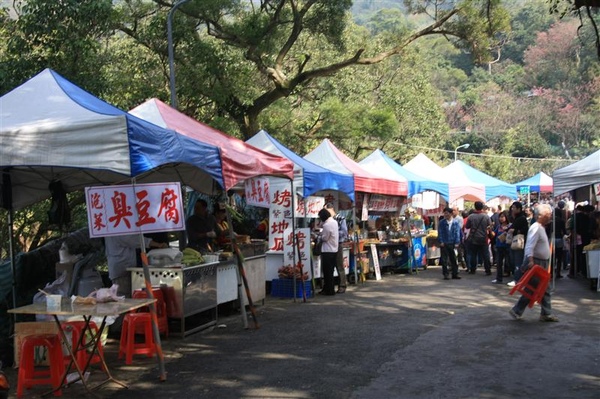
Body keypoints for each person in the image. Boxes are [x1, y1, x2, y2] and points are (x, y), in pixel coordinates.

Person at [509, 204, 559, 322]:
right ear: (540, 215)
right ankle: (518, 310)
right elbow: (530, 245)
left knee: (544, 287)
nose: (550, 216)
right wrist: (530, 260)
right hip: (536, 262)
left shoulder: (540, 227)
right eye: (548, 214)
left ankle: (545, 313)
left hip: (541, 262)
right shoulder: (536, 228)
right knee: (533, 288)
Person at [104, 234, 168, 298]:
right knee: (124, 298)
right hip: (122, 269)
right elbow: (132, 239)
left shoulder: (111, 229)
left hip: (120, 267)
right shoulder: (118, 230)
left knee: (124, 297)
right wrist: (157, 244)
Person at [325, 203, 348, 293]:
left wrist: (334, 233)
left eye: (326, 210)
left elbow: (344, 232)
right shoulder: (326, 220)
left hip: (338, 244)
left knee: (339, 265)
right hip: (329, 245)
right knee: (329, 267)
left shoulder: (340, 218)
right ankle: (328, 286)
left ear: (331, 209)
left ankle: (342, 285)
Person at [465, 201, 492, 275]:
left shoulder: (471, 216)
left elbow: (467, 226)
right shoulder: (486, 216)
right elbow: (489, 226)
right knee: (485, 254)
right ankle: (488, 270)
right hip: (483, 238)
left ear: (475, 207)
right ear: (482, 207)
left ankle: (473, 269)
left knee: (473, 254)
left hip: (473, 238)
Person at [507, 201, 529, 287]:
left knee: (518, 261)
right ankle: (518, 278)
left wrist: (515, 231)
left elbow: (524, 230)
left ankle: (517, 279)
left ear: (519, 209)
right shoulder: (516, 218)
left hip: (519, 242)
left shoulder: (521, 218)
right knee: (514, 260)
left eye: (514, 208)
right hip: (515, 242)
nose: (512, 209)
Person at [318, 208, 339, 296]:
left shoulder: (327, 225)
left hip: (327, 250)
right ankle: (327, 289)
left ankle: (329, 290)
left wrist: (319, 236)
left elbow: (325, 238)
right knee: (330, 271)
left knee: (327, 272)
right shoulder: (334, 222)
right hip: (334, 249)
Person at [438, 207, 461, 280]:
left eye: (447, 213)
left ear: (451, 214)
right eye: (444, 213)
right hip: (444, 243)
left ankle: (455, 273)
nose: (446, 215)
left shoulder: (455, 223)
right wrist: (441, 241)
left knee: (453, 259)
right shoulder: (442, 222)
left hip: (452, 243)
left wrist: (457, 242)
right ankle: (446, 274)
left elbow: (457, 233)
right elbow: (440, 232)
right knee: (444, 260)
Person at [491, 211, 511, 284]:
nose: (501, 218)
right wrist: (490, 230)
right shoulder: (499, 227)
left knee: (509, 262)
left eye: (502, 216)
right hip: (499, 246)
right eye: (500, 217)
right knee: (499, 263)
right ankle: (499, 278)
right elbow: (494, 234)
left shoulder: (510, 226)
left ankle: (511, 276)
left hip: (507, 246)